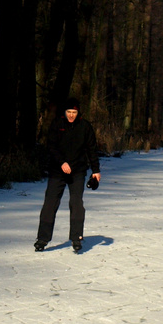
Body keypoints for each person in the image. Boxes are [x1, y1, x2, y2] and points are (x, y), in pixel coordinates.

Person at [34, 97, 101, 253]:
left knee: (76, 203)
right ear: (65, 112)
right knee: (50, 203)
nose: (71, 115)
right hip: (58, 170)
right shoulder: (57, 124)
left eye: (74, 112)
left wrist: (96, 170)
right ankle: (42, 238)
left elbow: (92, 149)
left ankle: (76, 238)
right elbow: (51, 146)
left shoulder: (85, 127)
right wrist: (62, 162)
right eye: (69, 112)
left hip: (78, 171)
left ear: (78, 113)